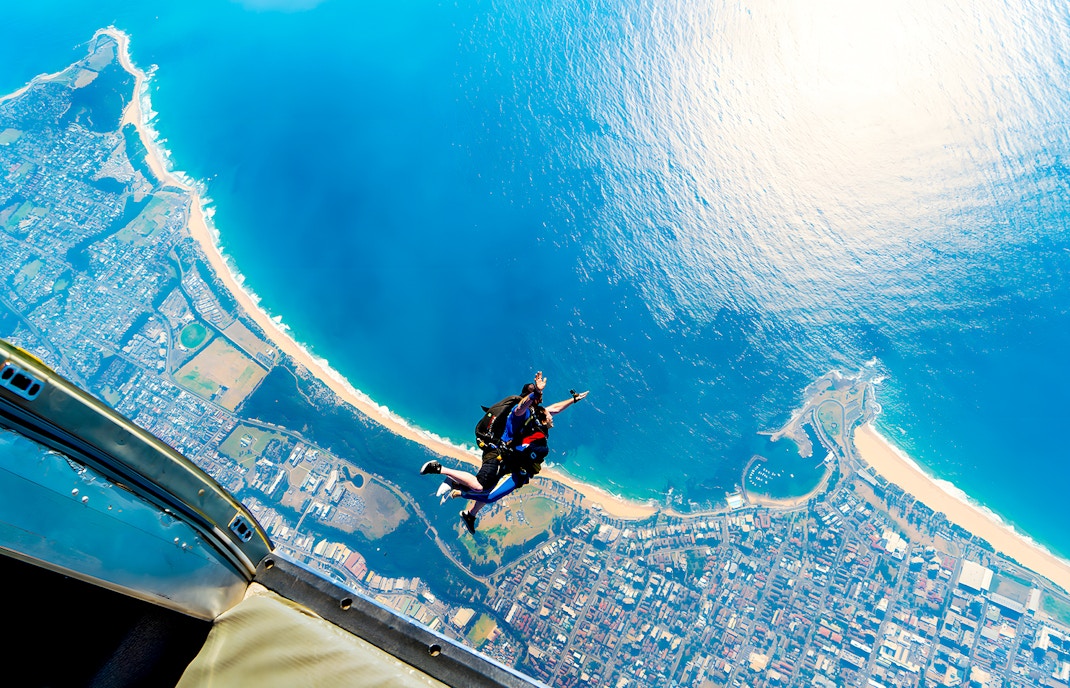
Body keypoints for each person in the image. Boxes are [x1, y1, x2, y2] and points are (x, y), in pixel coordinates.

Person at [420, 371, 588, 534]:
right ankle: (447, 476)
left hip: (513, 462)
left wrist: (573, 400)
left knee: (488, 490)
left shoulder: (538, 415)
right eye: (539, 398)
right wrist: (535, 393)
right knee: (484, 491)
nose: (549, 413)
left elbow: (555, 409)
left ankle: (469, 513)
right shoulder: (522, 414)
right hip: (504, 457)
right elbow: (519, 409)